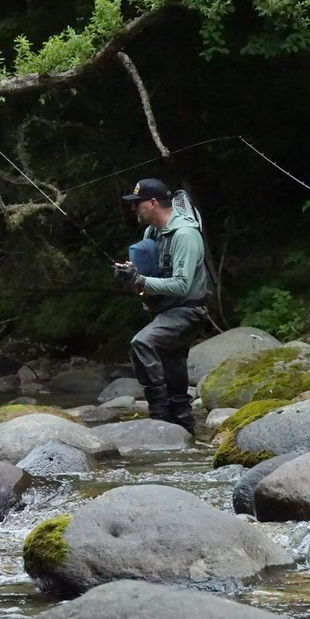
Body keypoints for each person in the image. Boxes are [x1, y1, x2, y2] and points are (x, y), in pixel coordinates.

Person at [113, 178, 209, 436]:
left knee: (142, 343)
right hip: (164, 312)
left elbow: (181, 285)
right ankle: (185, 435)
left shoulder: (185, 235)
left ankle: (157, 414)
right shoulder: (151, 233)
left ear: (153, 203)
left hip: (189, 312)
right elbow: (148, 283)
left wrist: (141, 280)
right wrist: (131, 277)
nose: (134, 210)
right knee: (176, 383)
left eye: (138, 204)